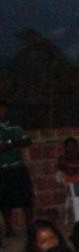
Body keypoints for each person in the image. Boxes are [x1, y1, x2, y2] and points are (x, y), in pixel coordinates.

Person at [0, 98, 33, 235]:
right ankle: (9, 229)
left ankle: (30, 227)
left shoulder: (15, 127)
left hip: (18, 167)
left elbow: (27, 141)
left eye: (3, 109)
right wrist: (15, 143)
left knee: (26, 198)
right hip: (2, 168)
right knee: (5, 201)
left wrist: (11, 143)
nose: (2, 112)